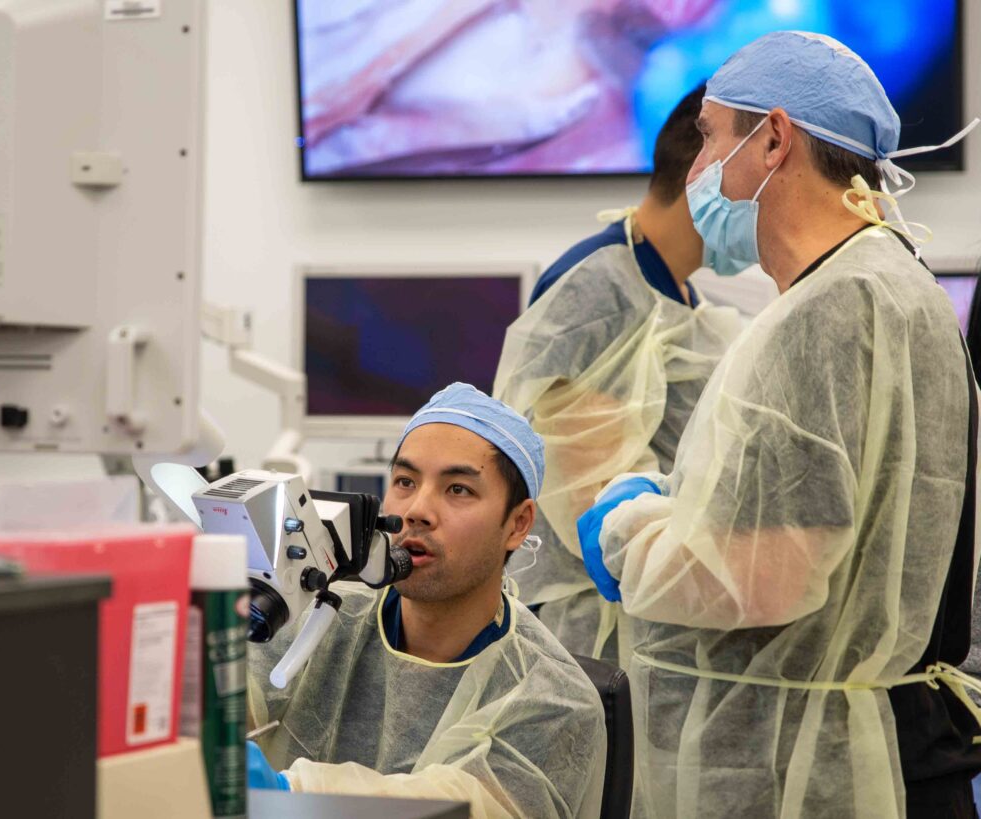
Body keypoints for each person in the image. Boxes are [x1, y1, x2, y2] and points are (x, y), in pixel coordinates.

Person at [576, 31, 981, 819]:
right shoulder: (890, 283)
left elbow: (767, 574)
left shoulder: (833, 309)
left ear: (773, 139)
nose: (697, 170)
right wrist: (680, 504)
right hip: (885, 754)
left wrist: (631, 529)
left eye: (708, 138)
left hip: (828, 774)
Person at [246, 383, 607, 819]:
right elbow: (227, 703)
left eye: (458, 489)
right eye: (405, 481)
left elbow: (469, 807)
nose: (417, 510)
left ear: (518, 523)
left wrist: (293, 791)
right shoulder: (319, 619)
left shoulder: (555, 701)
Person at [494, 83, 743, 662]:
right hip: (601, 628)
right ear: (705, 176)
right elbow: (591, 501)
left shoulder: (677, 291)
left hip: (655, 611)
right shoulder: (598, 290)